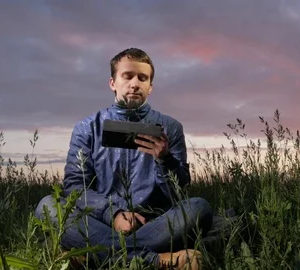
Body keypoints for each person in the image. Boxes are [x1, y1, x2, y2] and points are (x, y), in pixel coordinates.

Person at [34, 48, 213, 269]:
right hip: (101, 221)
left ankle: (93, 255)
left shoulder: (171, 128)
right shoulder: (86, 128)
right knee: (47, 206)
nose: (135, 84)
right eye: (127, 76)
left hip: (153, 224)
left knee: (199, 207)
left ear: (150, 87)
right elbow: (75, 186)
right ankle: (157, 260)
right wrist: (114, 214)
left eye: (142, 78)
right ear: (113, 83)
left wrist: (165, 160)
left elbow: (178, 193)